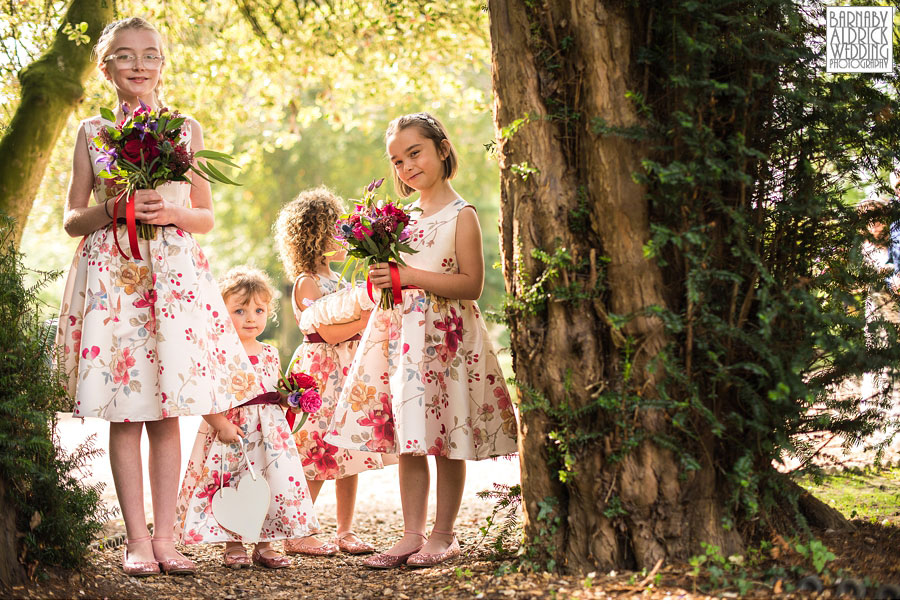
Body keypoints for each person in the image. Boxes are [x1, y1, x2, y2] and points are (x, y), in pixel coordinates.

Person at [54, 17, 261, 576]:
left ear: (163, 65)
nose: (139, 64)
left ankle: (167, 539)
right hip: (116, 275)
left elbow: (207, 215)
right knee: (127, 409)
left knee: (168, 409)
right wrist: (113, 210)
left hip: (171, 277)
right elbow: (73, 218)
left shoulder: (184, 129)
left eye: (150, 55)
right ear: (106, 68)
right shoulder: (92, 133)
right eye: (125, 55)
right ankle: (137, 540)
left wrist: (169, 213)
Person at [327, 113, 519, 568]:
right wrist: (384, 280)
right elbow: (395, 279)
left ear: (442, 149)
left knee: (447, 434)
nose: (406, 166)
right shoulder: (399, 219)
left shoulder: (461, 215)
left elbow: (470, 284)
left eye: (414, 153)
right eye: (397, 160)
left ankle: (444, 533)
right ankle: (411, 533)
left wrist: (409, 275)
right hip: (403, 339)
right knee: (411, 436)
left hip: (445, 341)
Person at [273, 186, 392, 556]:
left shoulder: (340, 280)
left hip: (346, 370)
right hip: (321, 372)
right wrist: (366, 321)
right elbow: (324, 332)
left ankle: (345, 530)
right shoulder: (307, 281)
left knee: (348, 445)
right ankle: (298, 529)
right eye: (336, 230)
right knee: (314, 449)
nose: (344, 237)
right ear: (315, 235)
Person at [175, 267, 318, 568]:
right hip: (233, 430)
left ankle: (266, 544)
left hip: (269, 433)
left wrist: (291, 398)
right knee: (233, 482)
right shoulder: (219, 352)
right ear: (222, 313)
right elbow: (206, 393)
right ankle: (233, 542)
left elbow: (273, 389)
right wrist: (221, 424)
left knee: (268, 482)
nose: (250, 318)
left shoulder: (269, 352)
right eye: (239, 310)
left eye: (259, 310)